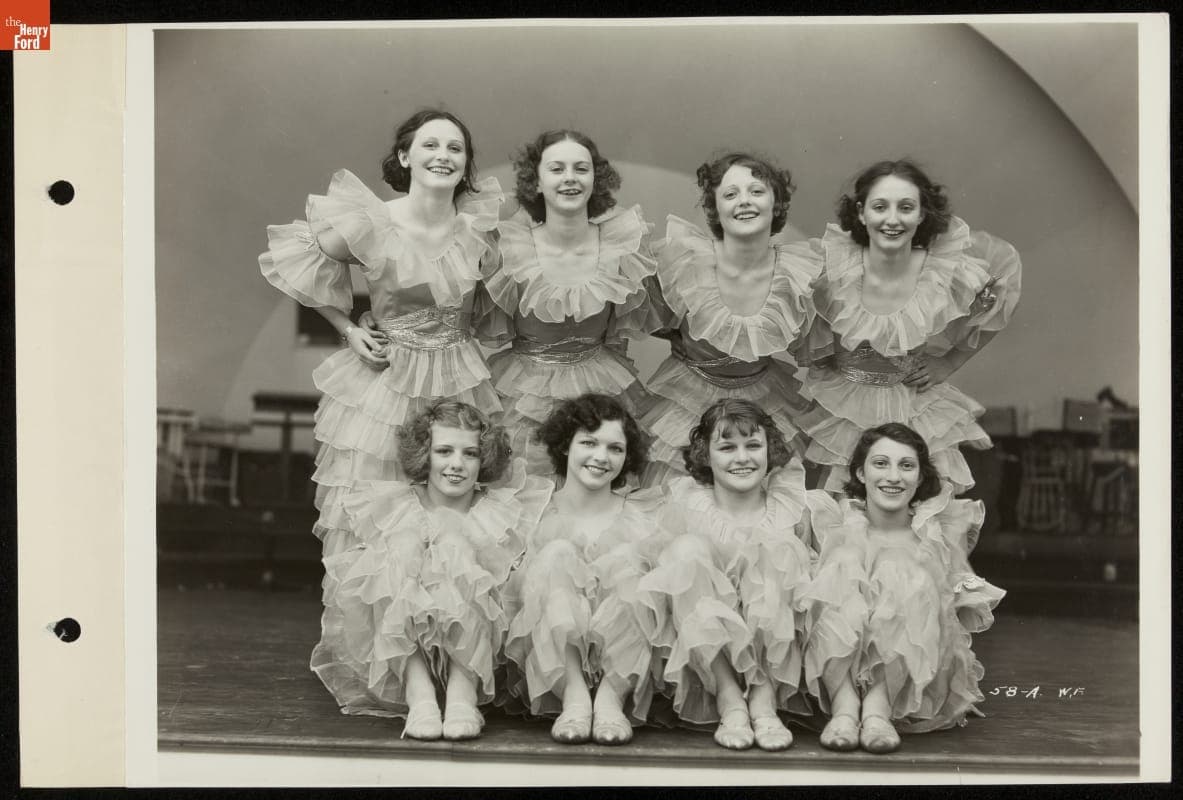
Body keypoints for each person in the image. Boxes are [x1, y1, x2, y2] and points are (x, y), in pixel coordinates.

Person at [258, 108, 504, 559]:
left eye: (455, 148)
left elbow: (496, 304)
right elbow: (299, 261)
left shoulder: (480, 233)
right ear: (404, 157)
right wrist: (349, 328)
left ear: (466, 164)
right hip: (386, 378)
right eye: (430, 145)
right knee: (377, 513)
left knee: (453, 516)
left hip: (458, 378)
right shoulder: (374, 221)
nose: (443, 156)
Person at [312, 401, 551, 740]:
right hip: (410, 648)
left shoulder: (498, 512)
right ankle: (420, 695)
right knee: (401, 549)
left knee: (456, 549)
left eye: (470, 453)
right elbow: (380, 590)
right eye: (444, 451)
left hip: (481, 646)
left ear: (484, 458)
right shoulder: (396, 505)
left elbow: (509, 591)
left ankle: (462, 695)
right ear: (425, 454)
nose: (457, 464)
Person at [796, 159, 1022, 493]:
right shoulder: (833, 267)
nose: (892, 219)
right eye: (879, 206)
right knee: (838, 510)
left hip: (911, 405)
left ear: (921, 214)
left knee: (913, 509)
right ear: (861, 213)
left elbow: (1001, 285)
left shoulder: (941, 270)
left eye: (905, 207)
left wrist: (949, 362)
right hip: (844, 407)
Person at [801, 423, 1005, 754]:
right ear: (860, 473)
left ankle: (878, 712)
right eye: (880, 464)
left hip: (907, 676)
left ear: (921, 478)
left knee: (911, 573)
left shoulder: (933, 532)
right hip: (834, 672)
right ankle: (844, 709)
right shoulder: (830, 521)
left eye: (906, 466)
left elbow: (949, 611)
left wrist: (958, 680)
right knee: (840, 563)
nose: (893, 477)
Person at [475, 129, 659, 474]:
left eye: (581, 169)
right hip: (526, 388)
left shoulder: (622, 242)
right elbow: (454, 306)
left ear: (596, 179)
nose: (570, 179)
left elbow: (657, 316)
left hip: (601, 381)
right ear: (537, 182)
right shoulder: (509, 245)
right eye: (557, 169)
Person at [635, 399, 813, 751]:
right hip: (703, 658)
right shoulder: (685, 505)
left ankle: (763, 698)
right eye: (727, 447)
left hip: (774, 658)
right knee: (684, 551)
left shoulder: (792, 509)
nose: (742, 458)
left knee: (779, 548)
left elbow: (804, 597)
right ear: (706, 454)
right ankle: (729, 697)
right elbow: (666, 591)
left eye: (753, 446)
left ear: (770, 449)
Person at [639, 153, 819, 486]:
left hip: (765, 397)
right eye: (730, 194)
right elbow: (652, 319)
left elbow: (817, 344)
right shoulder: (685, 261)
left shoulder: (798, 271)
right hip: (687, 396)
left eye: (756, 191)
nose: (744, 202)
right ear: (715, 207)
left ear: (776, 203)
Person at [503, 394, 663, 745]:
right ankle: (573, 696)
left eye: (615, 448)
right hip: (551, 662)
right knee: (557, 552)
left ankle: (610, 699)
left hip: (624, 665)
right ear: (565, 446)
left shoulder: (645, 516)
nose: (601, 457)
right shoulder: (533, 510)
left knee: (629, 561)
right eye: (588, 443)